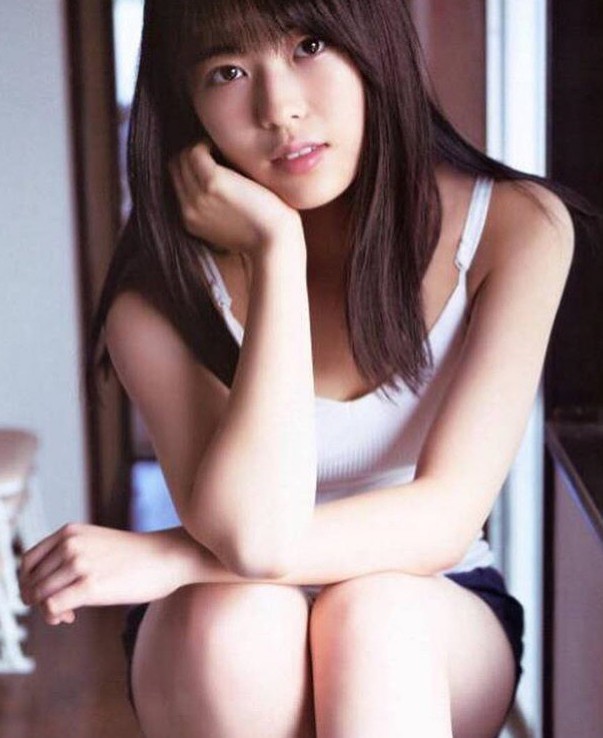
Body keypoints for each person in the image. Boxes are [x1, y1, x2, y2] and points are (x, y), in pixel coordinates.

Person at [18, 0, 589, 736]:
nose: (279, 109)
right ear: (186, 104)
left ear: (374, 44)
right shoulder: (155, 297)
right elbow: (249, 536)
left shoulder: (516, 227)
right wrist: (275, 253)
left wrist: (172, 559)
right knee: (234, 618)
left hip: (433, 600)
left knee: (375, 613)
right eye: (227, 71)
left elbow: (443, 519)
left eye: (309, 45)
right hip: (221, 621)